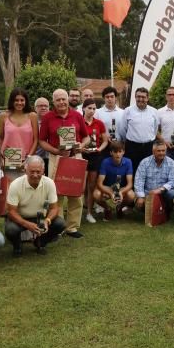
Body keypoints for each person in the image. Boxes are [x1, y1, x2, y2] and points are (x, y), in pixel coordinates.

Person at [38, 89, 89, 238]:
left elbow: (86, 137)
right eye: (58, 100)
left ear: (68, 100)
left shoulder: (77, 115)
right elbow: (41, 141)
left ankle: (72, 227)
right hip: (56, 158)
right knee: (56, 193)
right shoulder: (48, 118)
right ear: (53, 102)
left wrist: (82, 145)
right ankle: (58, 226)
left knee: (76, 194)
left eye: (63, 99)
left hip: (75, 157)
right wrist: (55, 150)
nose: (61, 102)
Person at [5, 155, 65, 256]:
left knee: (60, 224)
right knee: (11, 230)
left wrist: (47, 221)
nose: (35, 175)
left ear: (43, 170)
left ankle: (40, 242)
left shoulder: (49, 183)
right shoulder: (15, 184)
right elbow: (11, 212)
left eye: (38, 171)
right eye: (32, 171)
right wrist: (27, 224)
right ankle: (17, 246)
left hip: (41, 218)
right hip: (21, 217)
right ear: (25, 170)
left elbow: (54, 208)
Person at [0, 88, 38, 180]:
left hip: (26, 161)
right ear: (12, 101)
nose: (19, 103)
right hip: (9, 161)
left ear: (26, 101)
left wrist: (28, 159)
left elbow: (36, 140)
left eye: (22, 100)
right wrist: (1, 158)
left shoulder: (32, 116)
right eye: (16, 100)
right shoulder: (3, 116)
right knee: (10, 190)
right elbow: (1, 138)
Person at [120, 87, 159, 176]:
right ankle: (132, 189)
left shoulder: (154, 111)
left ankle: (146, 189)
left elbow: (155, 129)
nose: (140, 99)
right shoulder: (128, 111)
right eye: (138, 96)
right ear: (135, 97)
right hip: (132, 147)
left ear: (147, 98)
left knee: (148, 171)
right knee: (132, 171)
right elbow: (123, 129)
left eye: (143, 97)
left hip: (149, 147)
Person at [81, 97, 108, 224]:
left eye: (93, 109)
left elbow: (105, 141)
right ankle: (78, 210)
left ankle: (89, 213)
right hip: (82, 156)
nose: (91, 111)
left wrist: (99, 149)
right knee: (80, 187)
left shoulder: (99, 123)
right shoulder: (79, 122)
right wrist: (81, 149)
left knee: (91, 186)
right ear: (83, 109)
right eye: (89, 108)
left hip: (95, 157)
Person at [134, 141, 174, 216]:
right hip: (148, 193)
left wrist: (160, 190)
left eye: (163, 151)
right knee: (141, 206)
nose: (161, 153)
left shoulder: (171, 162)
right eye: (158, 151)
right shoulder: (144, 162)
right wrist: (141, 196)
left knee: (172, 193)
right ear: (153, 151)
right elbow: (139, 180)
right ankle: (149, 210)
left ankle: (167, 210)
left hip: (163, 192)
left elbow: (173, 181)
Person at [94, 141, 135, 219]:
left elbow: (130, 184)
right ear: (111, 152)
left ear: (124, 152)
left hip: (121, 187)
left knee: (131, 195)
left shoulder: (128, 162)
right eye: (115, 152)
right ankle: (108, 209)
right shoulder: (105, 162)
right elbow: (99, 183)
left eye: (120, 151)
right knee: (96, 194)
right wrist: (110, 193)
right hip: (108, 187)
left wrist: (121, 192)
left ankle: (119, 207)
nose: (118, 154)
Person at [34, 97, 50, 174]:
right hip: (36, 158)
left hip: (51, 158)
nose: (43, 108)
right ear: (35, 108)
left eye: (46, 106)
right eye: (40, 106)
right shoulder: (31, 123)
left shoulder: (54, 121)